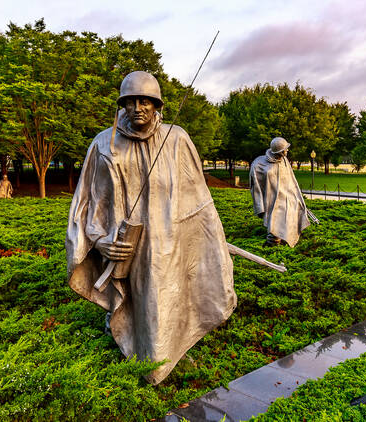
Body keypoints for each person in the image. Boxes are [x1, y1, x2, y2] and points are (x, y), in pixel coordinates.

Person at [66, 71, 236, 385]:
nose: (138, 108)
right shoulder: (104, 144)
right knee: (140, 302)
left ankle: (169, 355)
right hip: (129, 247)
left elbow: (199, 199)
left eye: (145, 100)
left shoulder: (178, 139)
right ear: (122, 105)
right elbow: (89, 202)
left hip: (172, 243)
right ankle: (143, 358)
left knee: (171, 299)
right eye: (130, 101)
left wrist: (209, 241)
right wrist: (100, 241)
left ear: (157, 104)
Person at [250, 137, 311, 246]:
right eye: (285, 149)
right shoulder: (259, 163)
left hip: (286, 197)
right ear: (279, 151)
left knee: (289, 217)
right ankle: (273, 244)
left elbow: (291, 181)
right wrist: (260, 206)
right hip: (271, 199)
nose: (287, 150)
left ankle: (284, 239)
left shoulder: (284, 161)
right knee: (274, 224)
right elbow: (255, 186)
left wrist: (297, 197)